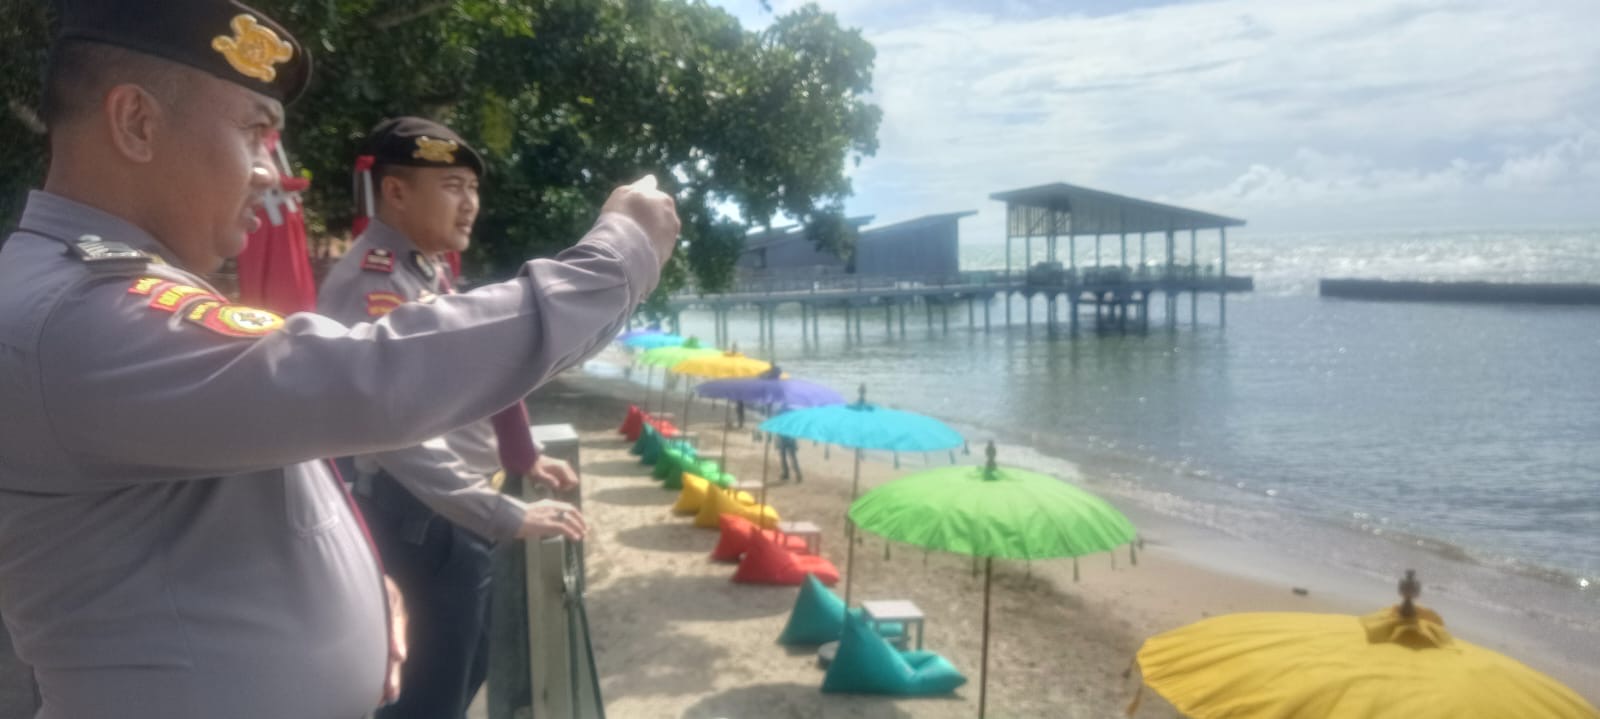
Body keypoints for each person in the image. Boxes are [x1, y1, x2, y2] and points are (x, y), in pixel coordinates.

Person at [0, 2, 678, 718]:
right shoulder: (74, 314)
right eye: (254, 133)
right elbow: (371, 379)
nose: (270, 174)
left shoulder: (99, 293)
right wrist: (617, 260)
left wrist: (356, 590)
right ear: (137, 122)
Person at [317, 116, 578, 719]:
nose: (470, 204)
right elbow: (397, 436)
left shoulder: (423, 270)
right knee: (428, 698)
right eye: (453, 187)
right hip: (420, 522)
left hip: (449, 515)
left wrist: (524, 456)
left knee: (463, 672)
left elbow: (476, 380)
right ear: (396, 192)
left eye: (473, 188)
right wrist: (504, 512)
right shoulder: (375, 283)